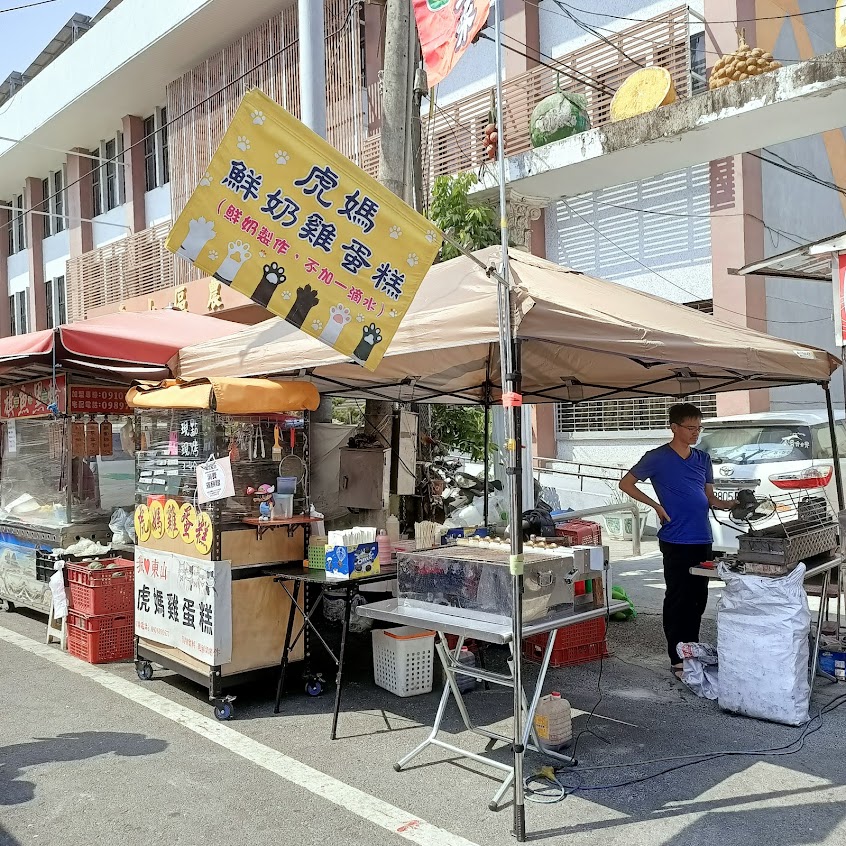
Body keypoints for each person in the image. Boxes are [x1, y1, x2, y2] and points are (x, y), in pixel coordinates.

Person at [619, 403, 738, 678]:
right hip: (676, 539)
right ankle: (677, 655)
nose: (696, 433)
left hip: (702, 537)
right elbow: (626, 483)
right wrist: (656, 506)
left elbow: (710, 497)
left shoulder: (702, 459)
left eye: (699, 427)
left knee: (698, 597)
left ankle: (692, 650)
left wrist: (728, 504)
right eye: (691, 428)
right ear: (674, 427)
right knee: (678, 597)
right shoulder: (657, 457)